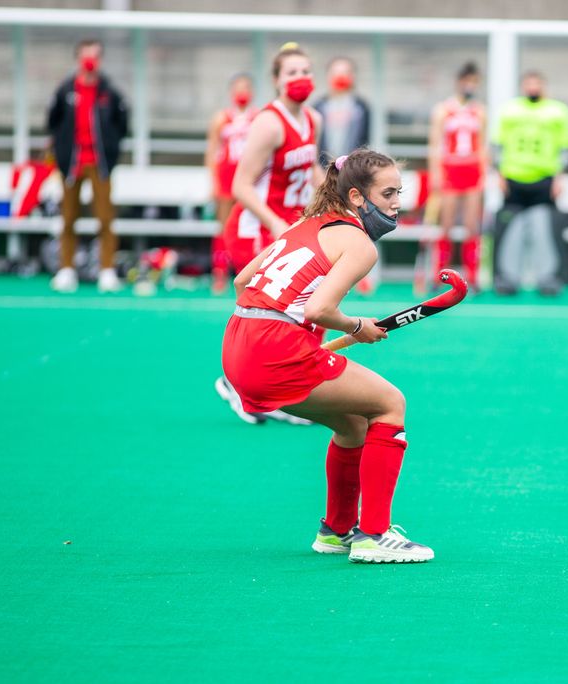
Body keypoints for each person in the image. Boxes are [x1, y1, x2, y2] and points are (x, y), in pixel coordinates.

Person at [221, 148, 434, 564]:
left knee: (354, 423)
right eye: (388, 193)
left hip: (237, 344)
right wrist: (358, 327)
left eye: (399, 192)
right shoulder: (359, 245)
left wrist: (283, 333)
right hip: (275, 350)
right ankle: (374, 534)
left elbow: (243, 280)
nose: (397, 202)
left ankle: (336, 531)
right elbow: (319, 309)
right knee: (391, 404)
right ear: (357, 197)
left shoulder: (305, 224)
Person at [215, 42, 324, 426]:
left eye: (306, 71)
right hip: (255, 231)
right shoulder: (268, 122)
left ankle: (288, 393)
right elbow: (241, 186)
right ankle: (234, 382)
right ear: (277, 80)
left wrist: (333, 199)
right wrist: (275, 222)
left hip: (290, 231)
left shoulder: (312, 119)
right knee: (263, 314)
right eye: (292, 72)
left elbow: (310, 170)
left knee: (301, 309)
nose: (301, 79)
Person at [47, 38, 129, 293]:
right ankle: (66, 269)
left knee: (105, 218)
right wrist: (61, 154)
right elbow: (53, 122)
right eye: (86, 54)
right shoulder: (65, 90)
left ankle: (106, 270)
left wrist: (111, 152)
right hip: (72, 164)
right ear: (78, 58)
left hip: (100, 164)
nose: (90, 60)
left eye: (94, 55)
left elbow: (122, 124)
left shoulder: (109, 92)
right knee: (68, 217)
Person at [492, 70, 568, 296]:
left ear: (543, 86)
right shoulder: (510, 110)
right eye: (529, 84)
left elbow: (566, 148)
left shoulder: (558, 111)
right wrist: (499, 174)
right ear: (523, 86)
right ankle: (507, 278)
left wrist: (560, 176)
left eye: (536, 84)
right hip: (513, 179)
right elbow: (498, 145)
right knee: (511, 230)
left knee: (544, 230)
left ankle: (548, 279)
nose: (533, 88)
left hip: (544, 180)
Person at [427, 61, 487, 289]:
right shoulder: (444, 109)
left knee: (472, 225)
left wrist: (483, 173)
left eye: (474, 82)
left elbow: (482, 145)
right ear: (458, 83)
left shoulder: (480, 111)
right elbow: (435, 144)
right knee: (447, 223)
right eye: (466, 82)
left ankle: (473, 276)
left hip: (471, 169)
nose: (469, 86)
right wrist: (436, 173)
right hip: (450, 169)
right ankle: (440, 274)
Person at [206, 73, 258, 294]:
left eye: (246, 88)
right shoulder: (222, 118)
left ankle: (249, 271)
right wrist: (213, 182)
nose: (242, 93)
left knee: (250, 227)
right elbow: (212, 151)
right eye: (238, 88)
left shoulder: (258, 117)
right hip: (227, 179)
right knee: (224, 227)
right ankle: (219, 272)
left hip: (249, 180)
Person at [314, 57, 371, 159]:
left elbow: (364, 142)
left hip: (351, 169)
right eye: (335, 73)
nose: (340, 77)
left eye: (346, 73)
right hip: (323, 169)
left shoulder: (362, 108)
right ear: (328, 76)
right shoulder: (318, 107)